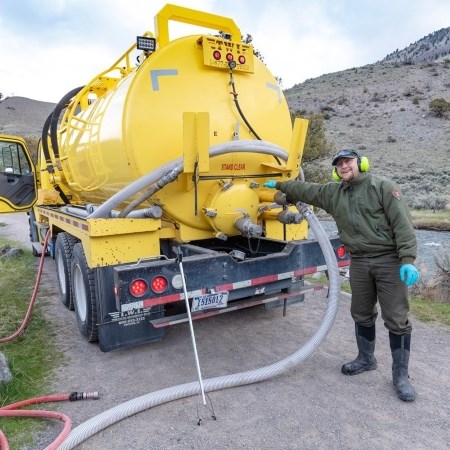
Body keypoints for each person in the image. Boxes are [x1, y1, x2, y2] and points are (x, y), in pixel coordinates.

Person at [264, 148, 420, 402]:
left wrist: (408, 260)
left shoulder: (383, 187)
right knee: (360, 312)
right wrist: (280, 184)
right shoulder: (333, 193)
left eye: (347, 162)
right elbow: (306, 190)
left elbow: (403, 225)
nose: (343, 166)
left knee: (397, 318)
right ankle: (366, 359)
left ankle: (400, 375)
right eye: (338, 164)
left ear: (360, 163)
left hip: (389, 261)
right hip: (358, 261)